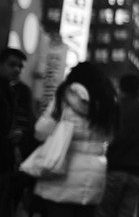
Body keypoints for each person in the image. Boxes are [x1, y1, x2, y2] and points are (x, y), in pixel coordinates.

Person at [34, 62, 117, 217]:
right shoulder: (108, 104)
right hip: (94, 175)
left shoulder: (63, 98)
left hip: (61, 169)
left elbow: (41, 130)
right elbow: (110, 138)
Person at [96, 73, 139, 217]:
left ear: (120, 87)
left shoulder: (114, 109)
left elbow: (104, 137)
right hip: (138, 174)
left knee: (104, 212)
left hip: (113, 169)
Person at [1, 47, 35, 215]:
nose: (17, 69)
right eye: (12, 65)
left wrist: (22, 138)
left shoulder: (22, 91)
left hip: (11, 161)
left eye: (20, 66)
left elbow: (29, 123)